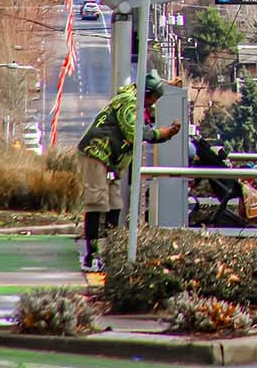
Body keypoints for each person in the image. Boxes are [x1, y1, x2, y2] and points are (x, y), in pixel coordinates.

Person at [76, 73, 183, 271]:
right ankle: (91, 255)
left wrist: (168, 84)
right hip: (97, 152)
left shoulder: (136, 99)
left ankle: (110, 250)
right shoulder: (128, 102)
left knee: (114, 201)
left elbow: (148, 75)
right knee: (97, 201)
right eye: (154, 99)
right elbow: (135, 133)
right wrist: (163, 134)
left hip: (112, 159)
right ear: (147, 94)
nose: (153, 104)